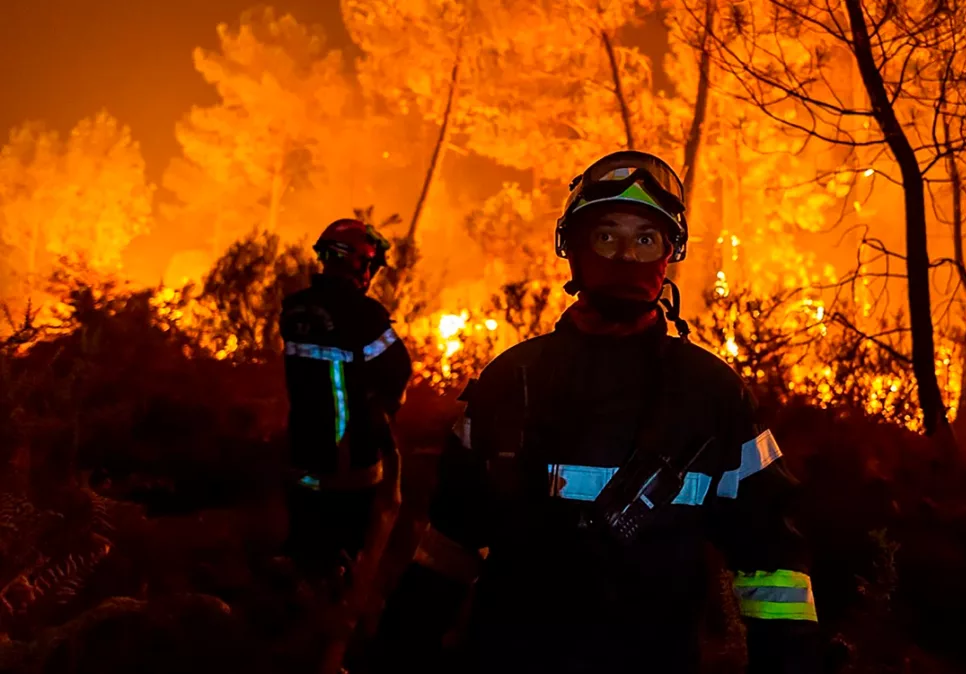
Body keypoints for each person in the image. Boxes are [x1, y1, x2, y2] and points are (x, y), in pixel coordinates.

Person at [367, 151, 822, 673]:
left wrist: (789, 664)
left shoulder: (714, 394)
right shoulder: (511, 380)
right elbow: (448, 547)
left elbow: (771, 564)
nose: (626, 256)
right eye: (607, 236)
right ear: (574, 250)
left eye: (645, 239)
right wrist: (397, 652)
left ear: (669, 254)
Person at [279, 218, 412, 673]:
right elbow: (397, 372)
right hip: (350, 464)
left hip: (300, 459)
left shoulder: (294, 309)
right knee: (349, 566)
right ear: (361, 263)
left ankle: (294, 641)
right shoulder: (366, 316)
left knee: (304, 558)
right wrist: (380, 410)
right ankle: (333, 654)